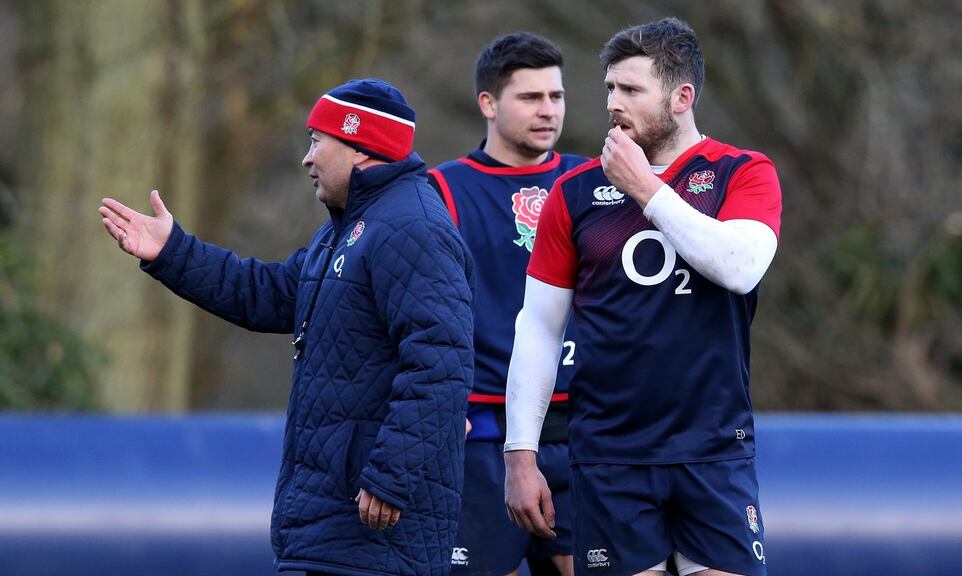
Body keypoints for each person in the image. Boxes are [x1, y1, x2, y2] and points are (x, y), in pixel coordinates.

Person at [99, 79, 475, 576]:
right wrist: (174, 253)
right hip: (330, 531)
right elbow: (265, 294)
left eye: (318, 141)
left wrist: (389, 477)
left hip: (375, 538)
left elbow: (441, 364)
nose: (307, 158)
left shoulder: (413, 228)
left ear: (361, 146)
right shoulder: (347, 230)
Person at [503, 18, 782, 576]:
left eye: (631, 90)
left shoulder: (741, 173)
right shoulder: (575, 192)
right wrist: (520, 453)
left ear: (682, 97)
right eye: (610, 88)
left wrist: (645, 188)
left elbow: (739, 267)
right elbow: (538, 328)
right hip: (611, 456)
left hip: (712, 451)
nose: (613, 103)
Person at [428, 32, 587, 576]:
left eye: (556, 96)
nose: (548, 110)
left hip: (585, 425)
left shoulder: (596, 184)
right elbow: (415, 315)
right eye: (531, 97)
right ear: (489, 104)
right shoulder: (441, 191)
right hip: (484, 430)